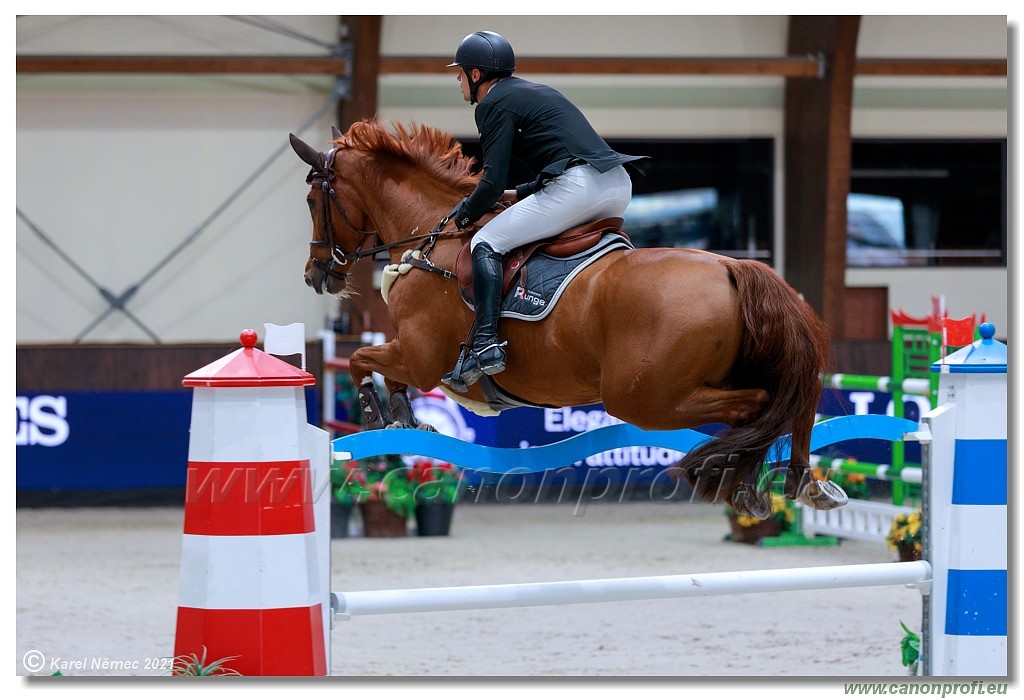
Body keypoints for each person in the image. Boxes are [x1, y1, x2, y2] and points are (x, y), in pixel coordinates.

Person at [439, 30, 647, 392]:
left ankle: (486, 342)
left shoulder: (492, 104)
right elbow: (552, 164)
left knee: (486, 242)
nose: (457, 80)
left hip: (580, 187)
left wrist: (464, 216)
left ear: (476, 76)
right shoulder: (531, 92)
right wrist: (513, 194)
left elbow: (489, 182)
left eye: (460, 73)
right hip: (615, 184)